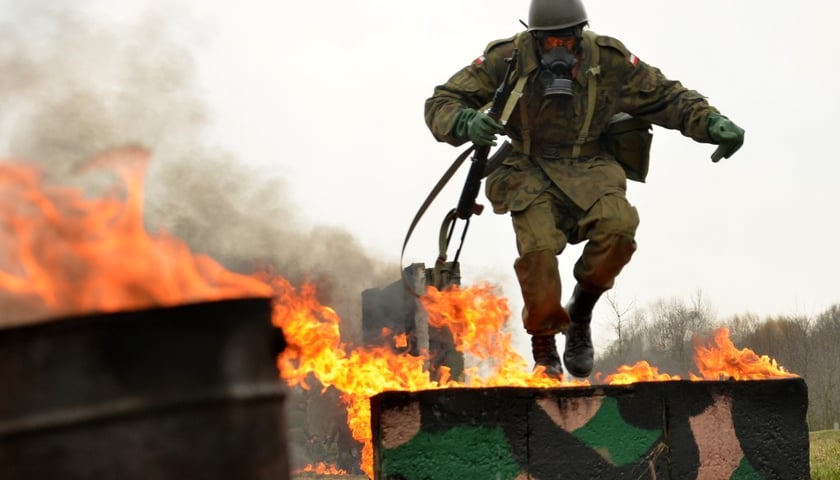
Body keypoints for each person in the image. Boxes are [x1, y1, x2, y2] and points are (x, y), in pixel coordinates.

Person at [423, 0, 744, 378]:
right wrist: (465, 121)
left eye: (567, 42)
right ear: (535, 38)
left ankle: (581, 312)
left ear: (580, 35)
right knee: (538, 250)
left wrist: (711, 122)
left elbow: (667, 96)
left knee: (619, 227)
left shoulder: (608, 60)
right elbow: (441, 102)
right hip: (527, 166)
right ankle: (544, 345)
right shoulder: (508, 59)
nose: (559, 51)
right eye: (550, 43)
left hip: (590, 163)